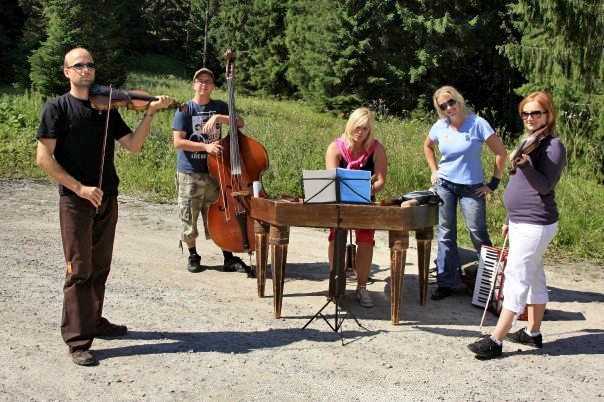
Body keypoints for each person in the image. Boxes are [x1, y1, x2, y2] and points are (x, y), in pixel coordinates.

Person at [36, 48, 173, 366]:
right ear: (66, 72)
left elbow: (134, 146)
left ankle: (93, 320)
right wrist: (80, 188)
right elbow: (43, 158)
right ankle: (78, 340)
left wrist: (150, 113)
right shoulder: (56, 108)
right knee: (79, 270)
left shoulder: (107, 108)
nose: (86, 69)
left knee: (100, 267)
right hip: (75, 201)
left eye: (90, 65)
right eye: (78, 65)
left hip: (107, 196)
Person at [468, 91, 566, 359]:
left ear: (548, 115)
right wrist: (509, 218)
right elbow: (518, 184)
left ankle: (496, 339)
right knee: (534, 276)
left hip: (536, 222)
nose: (530, 118)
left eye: (536, 113)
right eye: (526, 113)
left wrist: (525, 166)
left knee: (516, 276)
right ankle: (533, 333)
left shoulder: (553, 146)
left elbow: (545, 185)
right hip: (522, 221)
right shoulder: (531, 141)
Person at [424, 85, 507, 301]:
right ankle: (446, 282)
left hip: (472, 187)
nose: (449, 108)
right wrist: (434, 171)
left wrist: (493, 183)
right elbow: (427, 146)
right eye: (443, 106)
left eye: (451, 102)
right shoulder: (440, 126)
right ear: (440, 109)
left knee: (477, 232)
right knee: (445, 233)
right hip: (445, 185)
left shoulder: (478, 123)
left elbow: (500, 152)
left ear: (459, 100)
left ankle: (490, 285)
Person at [172, 67, 251, 275]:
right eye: (200, 81)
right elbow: (178, 142)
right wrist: (206, 147)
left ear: (213, 86)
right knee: (189, 214)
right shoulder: (184, 109)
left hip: (217, 172)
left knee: (221, 216)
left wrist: (217, 118)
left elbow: (240, 122)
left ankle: (228, 257)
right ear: (194, 84)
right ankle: (193, 255)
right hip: (191, 171)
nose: (204, 84)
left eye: (208, 81)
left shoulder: (219, 106)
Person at [325, 107, 387, 307]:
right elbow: (330, 179)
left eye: (366, 129)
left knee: (366, 241)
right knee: (336, 239)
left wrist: (364, 190)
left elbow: (381, 182)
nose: (361, 132)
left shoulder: (377, 149)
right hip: (340, 202)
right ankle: (337, 283)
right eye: (358, 127)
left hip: (364, 200)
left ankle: (361, 287)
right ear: (350, 125)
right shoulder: (335, 147)